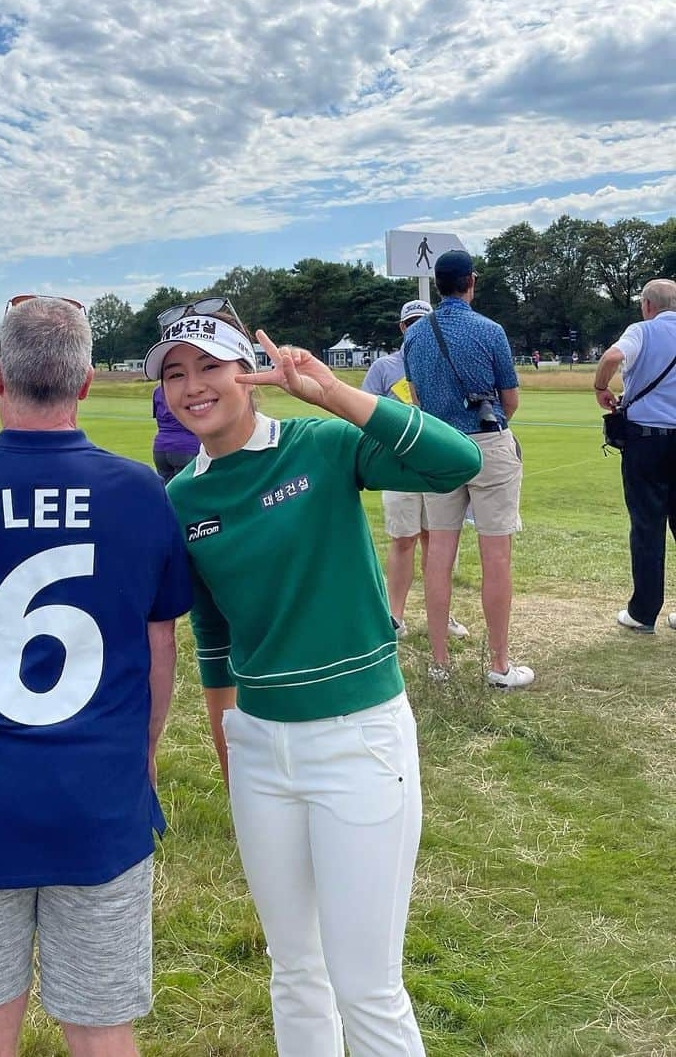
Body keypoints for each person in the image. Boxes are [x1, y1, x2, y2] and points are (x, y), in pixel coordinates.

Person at [145, 302, 481, 1057]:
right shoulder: (181, 501)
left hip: (357, 740)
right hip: (261, 752)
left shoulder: (322, 445)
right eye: (174, 375)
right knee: (295, 970)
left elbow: (457, 462)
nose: (193, 386)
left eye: (208, 366)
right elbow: (217, 648)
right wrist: (234, 757)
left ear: (248, 373)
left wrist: (334, 394)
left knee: (366, 985)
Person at [0, 296, 191, 1057]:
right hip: (100, 802)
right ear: (86, 383)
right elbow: (162, 653)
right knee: (101, 1031)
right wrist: (143, 751)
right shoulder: (139, 493)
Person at [402, 249, 534, 688]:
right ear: (471, 281)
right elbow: (509, 400)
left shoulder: (415, 337)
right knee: (496, 555)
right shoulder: (490, 331)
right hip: (486, 444)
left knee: (438, 555)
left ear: (438, 285)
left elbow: (417, 396)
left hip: (439, 449)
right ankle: (499, 664)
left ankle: (440, 662)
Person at [361, 301, 470, 643]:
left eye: (423, 322)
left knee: (437, 540)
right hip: (397, 466)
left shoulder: (443, 364)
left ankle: (442, 612)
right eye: (411, 323)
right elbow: (364, 413)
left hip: (434, 467)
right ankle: (395, 616)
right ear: (403, 328)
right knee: (403, 539)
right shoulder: (384, 367)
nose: (416, 328)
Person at [594, 278, 676, 634]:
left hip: (647, 441)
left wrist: (601, 387)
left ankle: (644, 612)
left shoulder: (641, 330)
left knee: (647, 527)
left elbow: (613, 356)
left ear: (647, 305)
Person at [150, 382, 200, 483]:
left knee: (167, 492)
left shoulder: (158, 391)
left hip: (161, 447)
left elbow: (159, 418)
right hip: (185, 447)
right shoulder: (188, 391)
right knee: (186, 491)